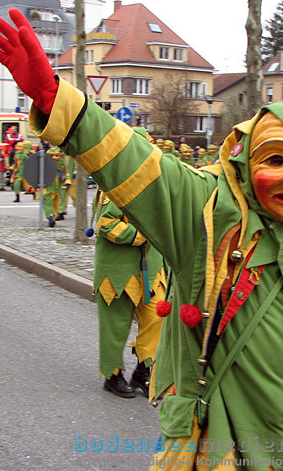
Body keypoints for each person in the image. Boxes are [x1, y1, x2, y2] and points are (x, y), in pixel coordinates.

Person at [0, 8, 283, 469]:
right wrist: (55, 99)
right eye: (277, 159)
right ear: (247, 165)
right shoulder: (207, 209)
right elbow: (139, 164)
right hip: (214, 439)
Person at [91, 132, 166, 398]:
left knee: (157, 318)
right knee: (116, 326)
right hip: (118, 271)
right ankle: (112, 375)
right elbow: (106, 224)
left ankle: (143, 371)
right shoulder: (113, 182)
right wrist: (140, 234)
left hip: (152, 270)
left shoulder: (156, 182)